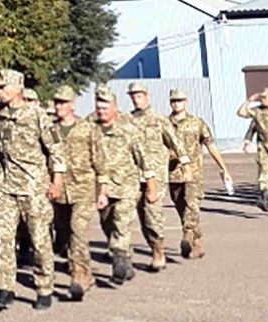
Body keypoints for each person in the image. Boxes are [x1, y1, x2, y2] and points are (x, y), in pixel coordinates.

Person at [0, 70, 59, 312]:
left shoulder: (36, 115)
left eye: (3, 87)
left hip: (33, 187)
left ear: (17, 88)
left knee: (39, 239)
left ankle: (44, 288)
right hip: (6, 187)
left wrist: (57, 180)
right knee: (3, 238)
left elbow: (56, 149)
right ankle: (4, 288)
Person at [48, 86, 104, 302]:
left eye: (63, 102)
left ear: (72, 105)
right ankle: (86, 272)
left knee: (77, 229)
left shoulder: (87, 128)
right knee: (63, 233)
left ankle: (79, 275)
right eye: (56, 102)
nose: (58, 106)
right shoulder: (50, 130)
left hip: (83, 189)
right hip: (59, 192)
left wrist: (102, 190)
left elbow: (99, 159)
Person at [91, 86, 148, 285]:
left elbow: (144, 158)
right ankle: (126, 262)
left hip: (126, 187)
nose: (101, 111)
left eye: (106, 108)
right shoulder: (90, 128)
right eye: (99, 108)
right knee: (107, 224)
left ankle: (119, 260)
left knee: (121, 223)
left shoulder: (128, 129)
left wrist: (152, 183)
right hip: (102, 189)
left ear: (115, 108)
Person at [125, 82, 183, 270]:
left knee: (152, 214)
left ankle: (159, 252)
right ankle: (149, 247)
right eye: (133, 95)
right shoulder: (128, 120)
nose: (136, 98)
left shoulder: (159, 119)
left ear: (147, 95)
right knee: (139, 216)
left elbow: (175, 142)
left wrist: (185, 165)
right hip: (133, 175)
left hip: (156, 176)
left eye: (139, 95)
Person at [168, 88, 231, 256]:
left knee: (192, 205)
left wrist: (223, 168)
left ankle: (188, 233)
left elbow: (210, 145)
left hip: (193, 173)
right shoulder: (165, 124)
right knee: (182, 209)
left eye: (179, 100)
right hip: (173, 174)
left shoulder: (197, 123)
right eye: (174, 101)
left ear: (185, 102)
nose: (176, 103)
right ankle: (197, 243)